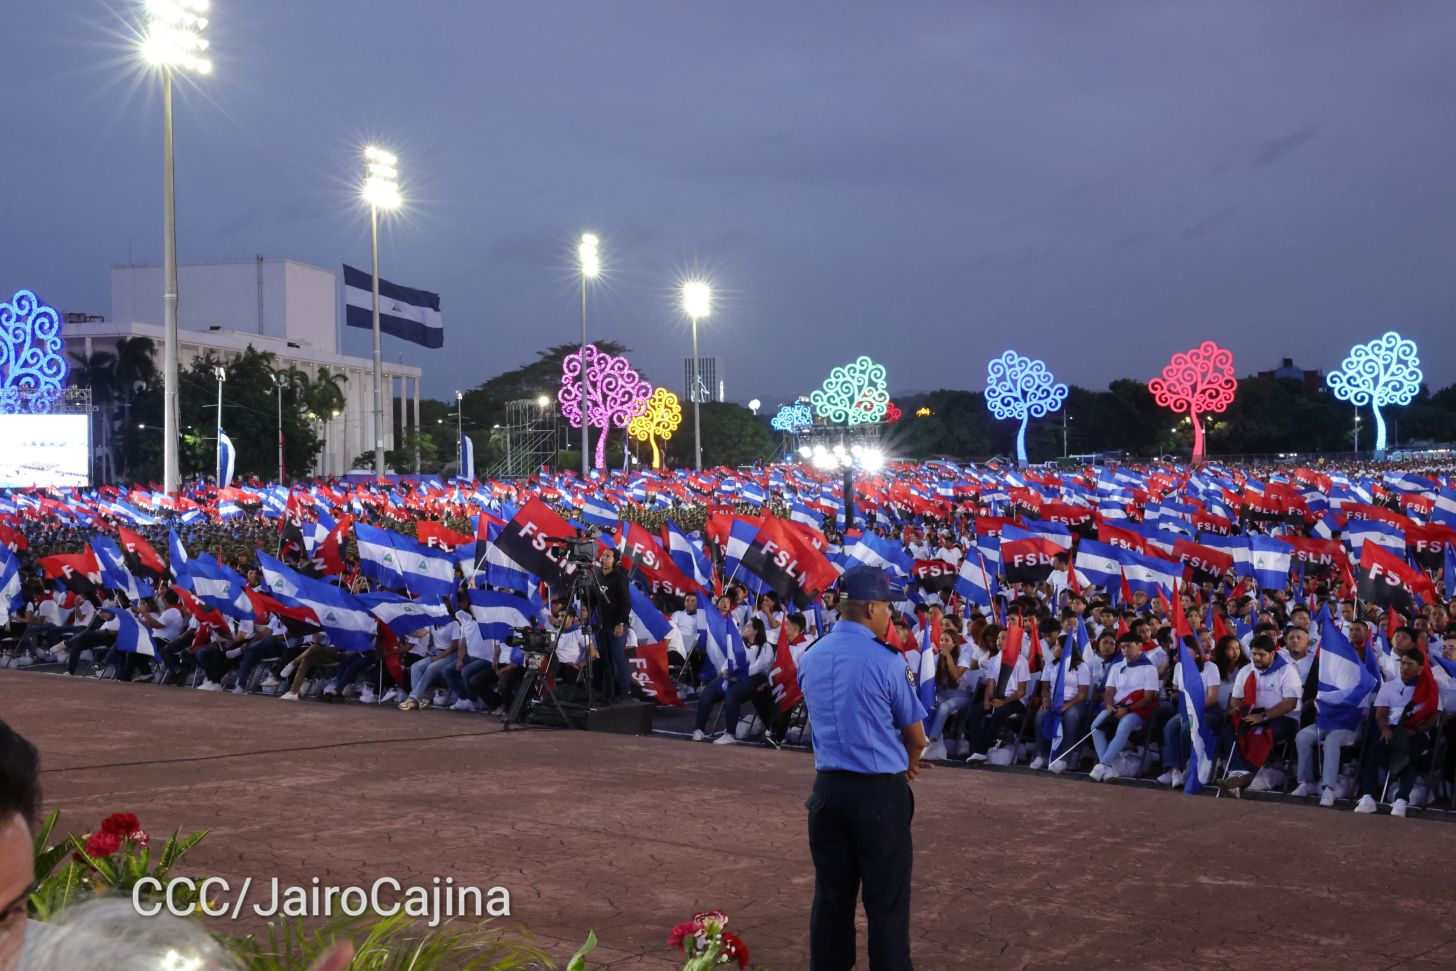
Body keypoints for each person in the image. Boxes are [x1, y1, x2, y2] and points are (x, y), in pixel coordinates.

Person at [797, 565, 926, 971]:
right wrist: (912, 764)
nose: (890, 615)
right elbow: (916, 735)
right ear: (871, 607)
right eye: (887, 607)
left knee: (831, 900)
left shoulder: (811, 655)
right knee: (886, 904)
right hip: (878, 796)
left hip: (827, 792)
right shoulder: (887, 660)